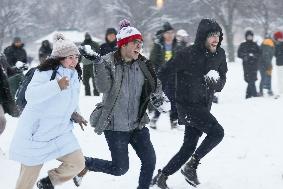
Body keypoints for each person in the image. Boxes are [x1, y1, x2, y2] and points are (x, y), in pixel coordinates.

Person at [73, 19, 165, 189]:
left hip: (138, 124)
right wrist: (98, 63)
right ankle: (85, 163)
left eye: (140, 43)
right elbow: (102, 87)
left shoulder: (144, 64)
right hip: (115, 125)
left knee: (150, 160)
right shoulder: (107, 62)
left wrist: (159, 97)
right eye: (134, 43)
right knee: (120, 169)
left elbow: (155, 84)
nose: (139, 46)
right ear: (123, 45)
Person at [151, 18, 227, 188]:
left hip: (204, 105)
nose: (215, 39)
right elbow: (164, 72)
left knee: (188, 147)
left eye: (218, 35)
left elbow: (222, 82)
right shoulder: (187, 54)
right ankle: (191, 166)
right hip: (186, 105)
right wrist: (156, 92)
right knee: (217, 133)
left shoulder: (220, 54)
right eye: (211, 35)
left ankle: (162, 176)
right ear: (202, 36)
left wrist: (216, 82)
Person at [9, 33, 87, 189]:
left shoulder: (74, 75)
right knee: (24, 184)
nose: (75, 61)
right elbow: (30, 95)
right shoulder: (44, 73)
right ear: (60, 58)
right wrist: (56, 86)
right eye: (70, 57)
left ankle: (47, 183)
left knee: (77, 163)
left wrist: (75, 113)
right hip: (37, 134)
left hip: (60, 132)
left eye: (76, 57)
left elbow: (70, 101)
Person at [149, 22, 178, 129]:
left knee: (174, 99)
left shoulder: (176, 46)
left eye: (172, 33)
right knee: (162, 99)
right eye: (168, 33)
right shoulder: (158, 46)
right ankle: (154, 119)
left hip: (174, 76)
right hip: (161, 76)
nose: (170, 35)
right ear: (164, 34)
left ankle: (173, 120)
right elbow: (152, 61)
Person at [0, 53, 19, 155]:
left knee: (2, 122)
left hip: (1, 99)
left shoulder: (1, 57)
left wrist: (17, 69)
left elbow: (8, 70)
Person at [237, 30, 261, 99]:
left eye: (251, 36)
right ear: (246, 37)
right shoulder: (243, 45)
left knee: (252, 79)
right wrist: (245, 56)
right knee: (248, 79)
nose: (250, 37)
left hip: (254, 65)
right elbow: (239, 54)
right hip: (246, 65)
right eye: (248, 36)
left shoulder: (255, 45)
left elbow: (259, 53)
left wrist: (254, 56)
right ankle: (251, 94)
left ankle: (251, 94)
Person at [274, 31, 283, 98]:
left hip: (280, 63)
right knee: (280, 79)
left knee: (281, 78)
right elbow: (275, 54)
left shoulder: (277, 45)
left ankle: (282, 92)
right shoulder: (276, 45)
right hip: (279, 64)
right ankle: (282, 92)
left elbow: (275, 54)